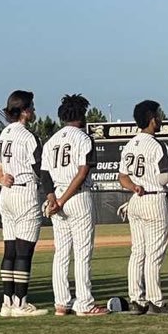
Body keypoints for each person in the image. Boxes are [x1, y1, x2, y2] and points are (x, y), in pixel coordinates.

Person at [43, 94, 106, 316]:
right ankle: (85, 304)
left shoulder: (51, 140)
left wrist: (53, 198)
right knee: (82, 253)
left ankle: (61, 303)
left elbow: (45, 174)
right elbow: (82, 172)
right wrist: (61, 200)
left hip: (58, 195)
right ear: (81, 114)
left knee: (61, 253)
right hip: (76, 197)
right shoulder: (84, 138)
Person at [0, 90, 50, 317]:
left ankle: (7, 303)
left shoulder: (4, 134)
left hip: (6, 194)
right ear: (25, 110)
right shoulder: (28, 137)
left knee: (9, 251)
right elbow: (41, 169)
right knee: (24, 251)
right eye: (32, 108)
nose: (34, 111)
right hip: (24, 192)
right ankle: (20, 303)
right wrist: (51, 193)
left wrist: (0, 178)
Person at [117, 100, 168, 315]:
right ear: (152, 120)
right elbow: (166, 176)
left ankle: (136, 299)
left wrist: (134, 186)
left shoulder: (130, 144)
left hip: (135, 200)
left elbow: (122, 176)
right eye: (158, 115)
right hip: (153, 199)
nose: (160, 119)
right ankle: (156, 301)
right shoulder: (157, 144)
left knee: (137, 252)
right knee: (154, 254)